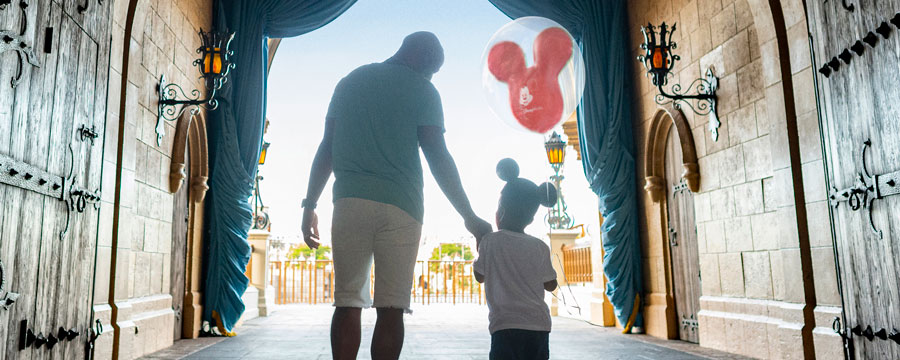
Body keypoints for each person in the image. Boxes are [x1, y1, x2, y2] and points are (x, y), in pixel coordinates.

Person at [300, 31, 493, 360]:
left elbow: (326, 147)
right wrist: (470, 217)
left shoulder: (351, 81)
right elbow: (438, 156)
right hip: (403, 208)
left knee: (348, 300)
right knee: (391, 307)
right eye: (431, 70)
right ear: (421, 59)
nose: (429, 77)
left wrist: (309, 205)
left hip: (349, 202)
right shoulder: (424, 90)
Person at [473, 158, 559, 360]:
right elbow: (550, 284)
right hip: (538, 326)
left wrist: (479, 239)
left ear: (500, 213)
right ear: (531, 218)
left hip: (505, 327)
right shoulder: (539, 246)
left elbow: (480, 276)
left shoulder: (490, 241)